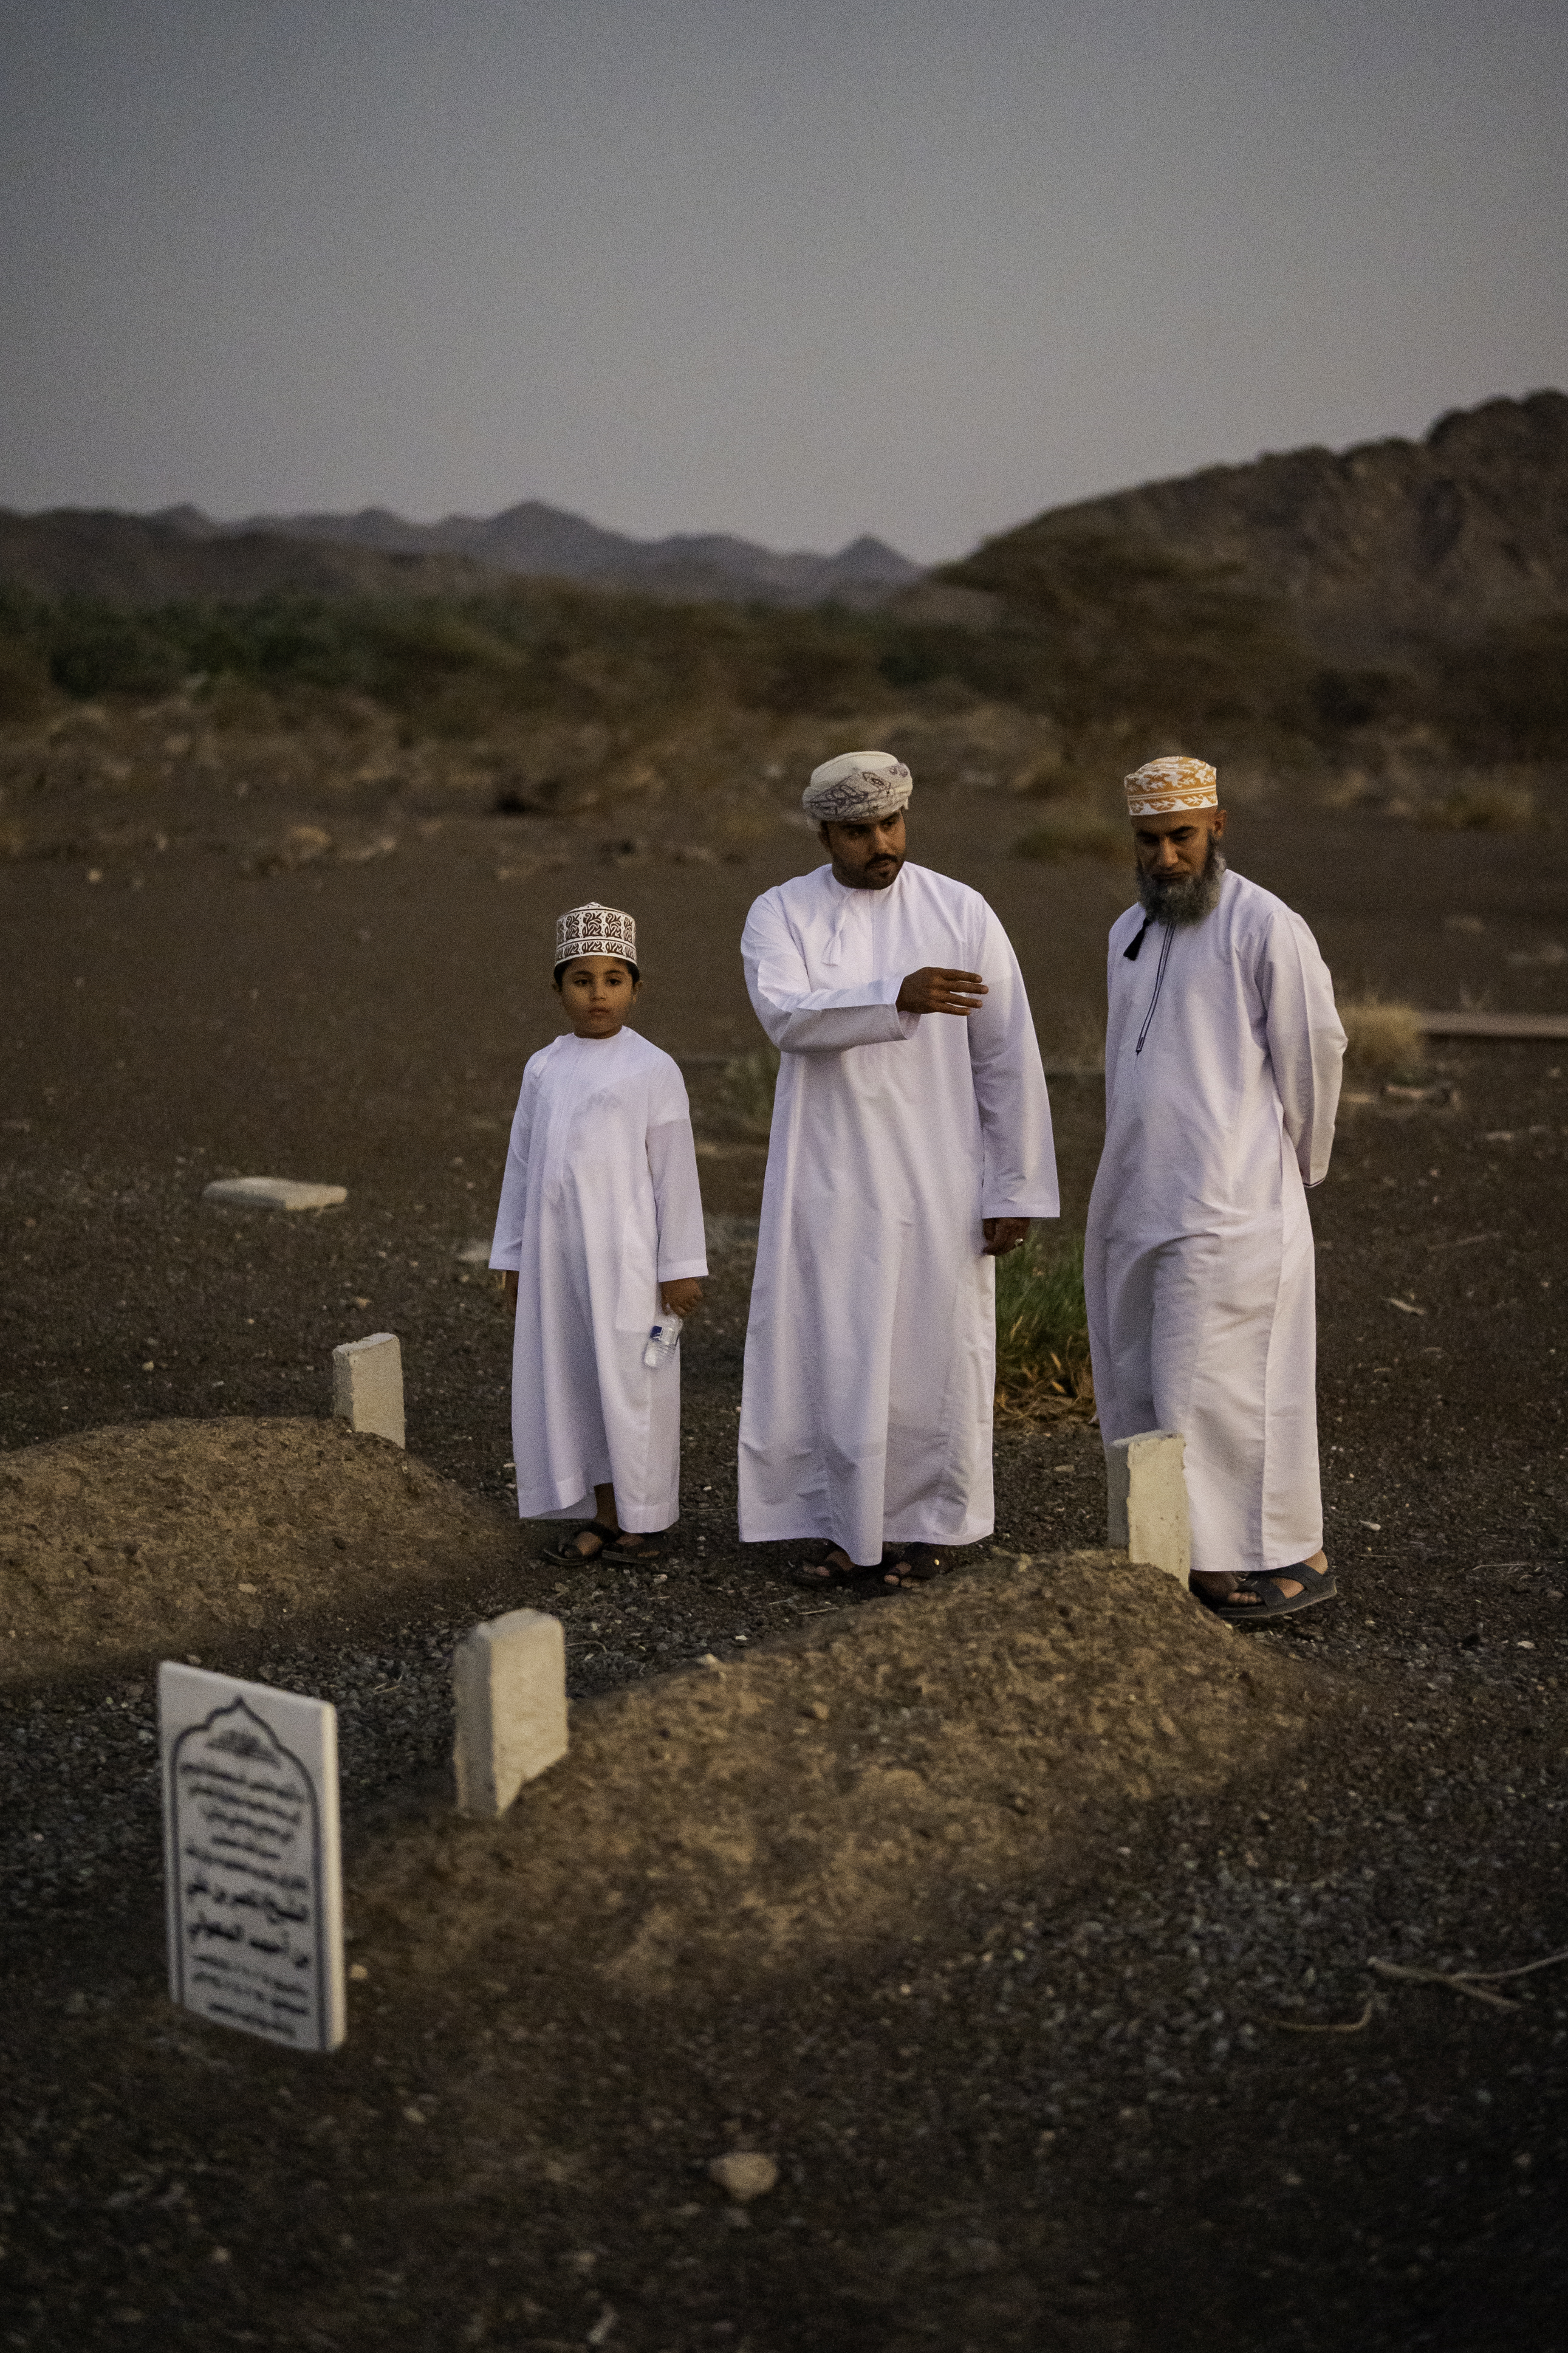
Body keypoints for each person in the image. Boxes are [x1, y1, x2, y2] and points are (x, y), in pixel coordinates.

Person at [738, 750, 1058, 1587]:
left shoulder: (962, 911)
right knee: (833, 1352)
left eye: (891, 824)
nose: (880, 843)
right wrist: (895, 997)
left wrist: (1015, 1184)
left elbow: (1006, 1056)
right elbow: (785, 1016)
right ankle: (845, 1529)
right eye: (858, 831)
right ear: (823, 834)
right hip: (829, 1175)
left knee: (934, 1356)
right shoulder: (781, 914)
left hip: (940, 1175)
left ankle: (929, 1530)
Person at [1084, 757, 1346, 1622]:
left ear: (1218, 828)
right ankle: (1179, 1554)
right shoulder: (1130, 931)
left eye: (1182, 838)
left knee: (1224, 1392)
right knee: (1145, 1384)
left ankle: (1283, 1558)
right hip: (1136, 1195)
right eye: (1151, 841)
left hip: (1233, 1204)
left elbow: (1314, 1050)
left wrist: (1292, 1169)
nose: (1166, 858)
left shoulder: (1265, 925)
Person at [490, 901, 707, 1565]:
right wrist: (512, 1256)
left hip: (632, 1263)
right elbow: (522, 1167)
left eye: (614, 979)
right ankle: (605, 1513)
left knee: (634, 1384)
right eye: (581, 979)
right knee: (576, 1382)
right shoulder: (544, 1068)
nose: (598, 994)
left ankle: (645, 1518)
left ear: (636, 987)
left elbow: (676, 1172)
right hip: (558, 1262)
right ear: (557, 988)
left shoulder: (653, 1068)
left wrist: (682, 1263)